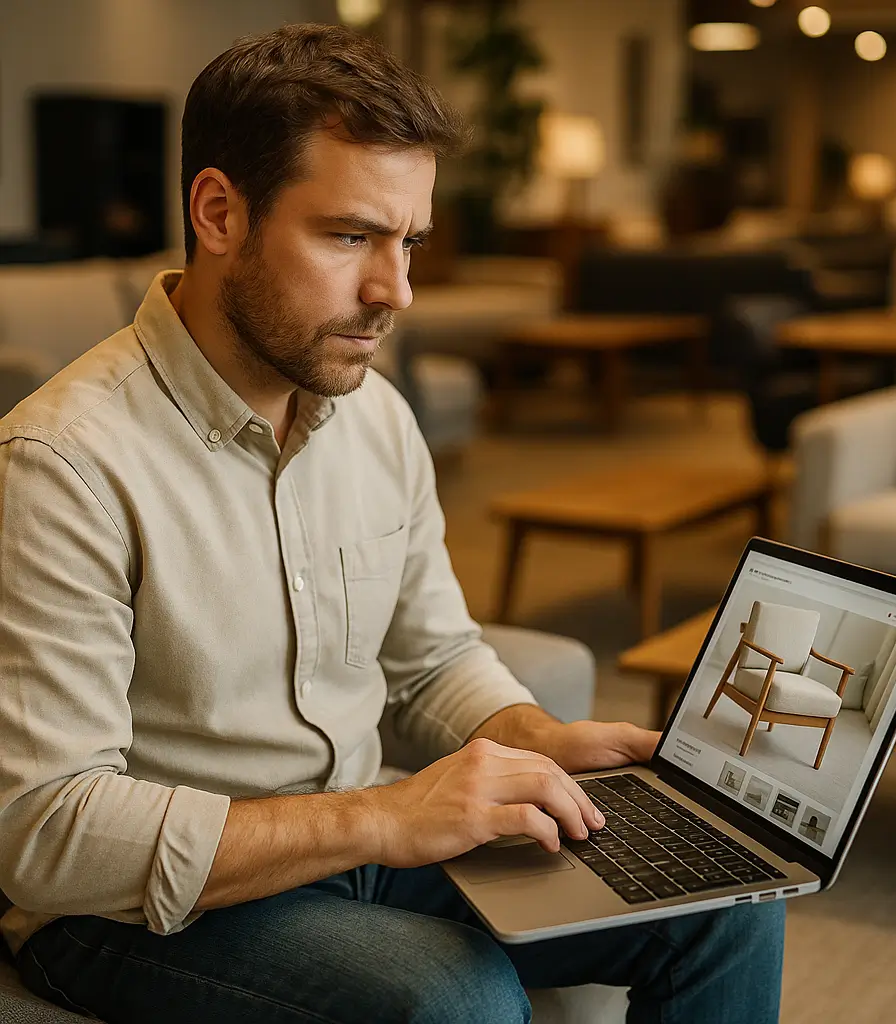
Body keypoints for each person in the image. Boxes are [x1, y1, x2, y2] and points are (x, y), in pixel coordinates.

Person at [0, 24, 784, 1024]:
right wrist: (378, 816)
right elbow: (44, 830)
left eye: (407, 240)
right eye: (348, 236)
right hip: (137, 912)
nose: (395, 291)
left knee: (726, 901)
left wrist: (536, 734)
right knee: (454, 996)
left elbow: (429, 657)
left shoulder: (372, 416)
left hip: (361, 846)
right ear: (218, 213)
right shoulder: (63, 461)